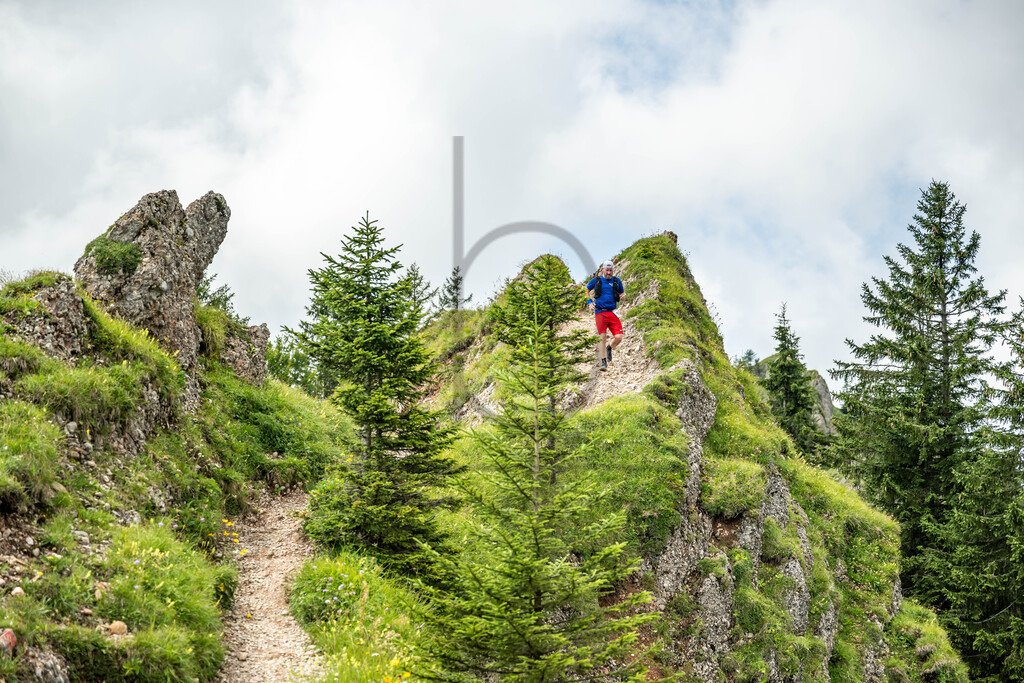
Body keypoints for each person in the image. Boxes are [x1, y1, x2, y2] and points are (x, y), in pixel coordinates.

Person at [586, 260, 624, 372]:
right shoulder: (596, 280)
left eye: (610, 270)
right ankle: (603, 361)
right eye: (607, 270)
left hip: (612, 312)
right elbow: (585, 290)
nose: (608, 272)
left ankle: (609, 347)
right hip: (600, 312)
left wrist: (623, 296)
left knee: (619, 337)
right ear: (603, 270)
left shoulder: (617, 281)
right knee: (602, 337)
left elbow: (622, 293)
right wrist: (589, 303)